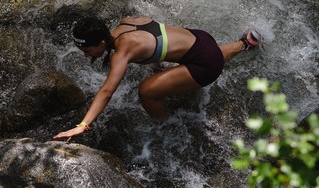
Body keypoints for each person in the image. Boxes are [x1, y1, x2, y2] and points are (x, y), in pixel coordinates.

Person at [53, 15, 262, 142]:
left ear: (101, 43)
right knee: (209, 54)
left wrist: (84, 125)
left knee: (146, 91)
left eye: (87, 50)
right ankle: (245, 43)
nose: (85, 55)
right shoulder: (127, 22)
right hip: (201, 39)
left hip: (206, 64)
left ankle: (168, 128)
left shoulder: (122, 52)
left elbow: (107, 91)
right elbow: (158, 40)